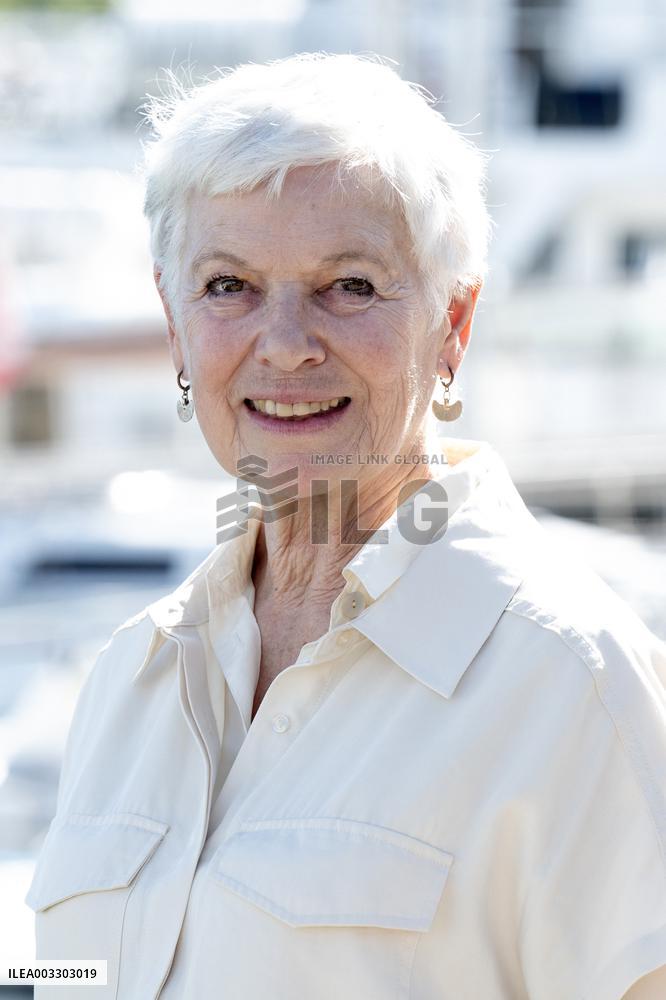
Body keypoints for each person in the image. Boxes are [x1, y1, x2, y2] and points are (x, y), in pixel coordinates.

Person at [25, 53, 666, 999]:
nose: (284, 342)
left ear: (453, 325)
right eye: (228, 286)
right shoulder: (130, 678)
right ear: (175, 328)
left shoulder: (568, 680)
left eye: (351, 286)